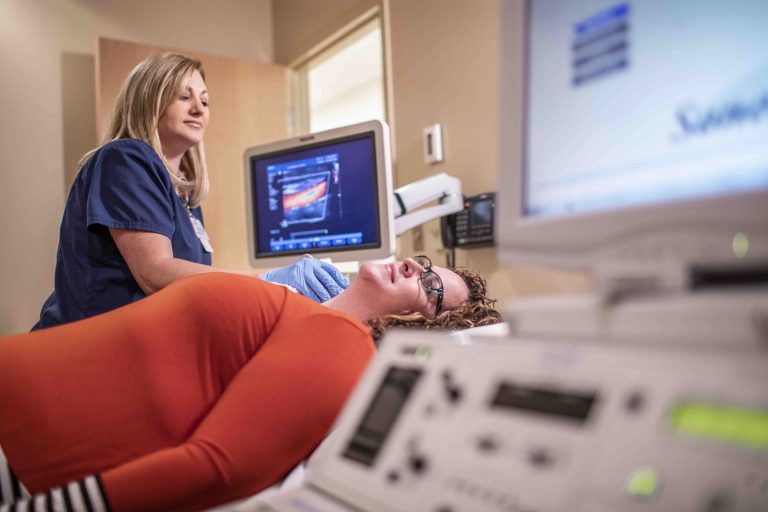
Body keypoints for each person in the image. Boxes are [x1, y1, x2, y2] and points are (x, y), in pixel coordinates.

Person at [0, 256, 500, 512]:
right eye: (429, 265)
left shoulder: (342, 351)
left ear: (424, 328)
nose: (418, 268)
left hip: (24, 447)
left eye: (433, 290)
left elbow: (214, 468)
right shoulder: (300, 305)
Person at [32, 52, 345, 331]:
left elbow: (192, 285)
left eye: (205, 102)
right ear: (149, 100)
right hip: (89, 346)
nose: (199, 109)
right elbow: (155, 273)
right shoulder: (125, 159)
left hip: (140, 344)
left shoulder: (183, 193)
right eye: (184, 97)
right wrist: (269, 281)